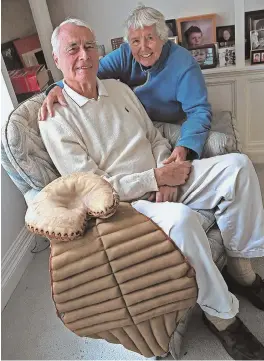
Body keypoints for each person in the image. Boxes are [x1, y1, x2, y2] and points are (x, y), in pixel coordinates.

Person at [39, 17, 264, 360]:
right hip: (127, 203)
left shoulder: (117, 87)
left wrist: (166, 167)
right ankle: (224, 319)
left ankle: (242, 271)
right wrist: (154, 181)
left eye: (89, 46)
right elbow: (91, 187)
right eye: (73, 48)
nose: (84, 55)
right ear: (57, 59)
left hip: (163, 175)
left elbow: (154, 136)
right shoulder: (56, 118)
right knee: (185, 221)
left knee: (237, 167)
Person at [39, 6, 212, 167]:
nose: (143, 48)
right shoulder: (124, 54)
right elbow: (87, 72)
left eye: (150, 38)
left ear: (163, 38)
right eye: (135, 41)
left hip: (171, 123)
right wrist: (55, 88)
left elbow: (198, 111)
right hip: (137, 122)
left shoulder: (183, 63)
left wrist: (185, 146)